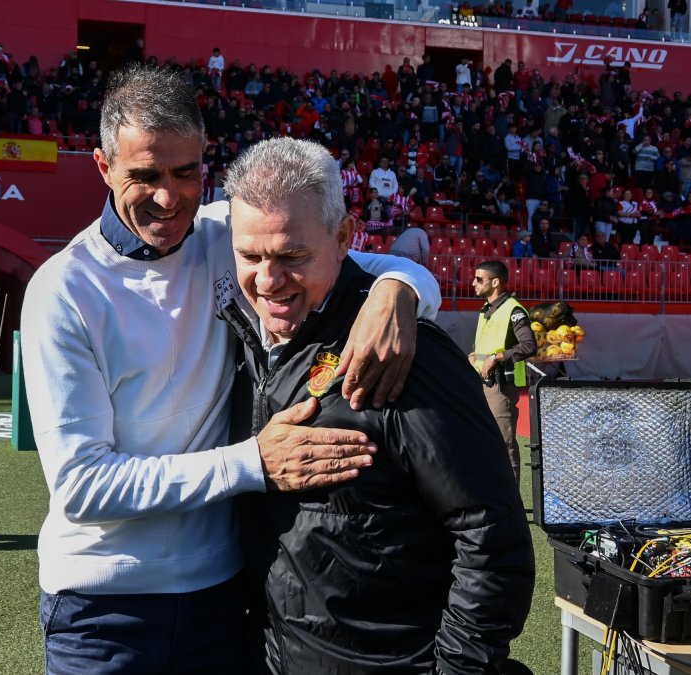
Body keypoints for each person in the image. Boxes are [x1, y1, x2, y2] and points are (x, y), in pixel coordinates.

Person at [19, 64, 441, 674]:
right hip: (103, 606)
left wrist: (398, 289)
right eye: (145, 176)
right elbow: (82, 488)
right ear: (104, 167)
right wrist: (254, 463)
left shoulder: (225, 235)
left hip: (224, 596)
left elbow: (366, 262)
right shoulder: (62, 289)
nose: (169, 197)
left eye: (186, 172)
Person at [221, 137, 535, 674]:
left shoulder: (404, 354)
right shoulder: (244, 336)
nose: (268, 281)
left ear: (344, 237)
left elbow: (492, 539)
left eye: (292, 256)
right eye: (250, 256)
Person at [471, 261, 537, 482]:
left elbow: (529, 346)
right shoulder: (486, 310)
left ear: (495, 282)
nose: (473, 283)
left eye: (479, 279)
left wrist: (495, 357)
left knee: (504, 444)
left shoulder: (513, 309)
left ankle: (512, 508)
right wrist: (477, 357)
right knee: (485, 443)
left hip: (501, 387)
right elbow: (489, 346)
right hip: (484, 385)